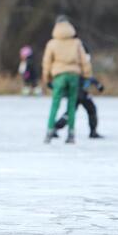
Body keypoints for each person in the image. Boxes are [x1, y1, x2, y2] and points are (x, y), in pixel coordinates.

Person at [42, 16, 92, 144]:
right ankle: (71, 134)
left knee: (55, 104)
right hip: (73, 75)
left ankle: (49, 131)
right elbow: (84, 61)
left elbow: (47, 62)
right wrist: (87, 76)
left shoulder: (52, 43)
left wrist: (46, 78)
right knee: (71, 106)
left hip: (59, 76)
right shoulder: (76, 42)